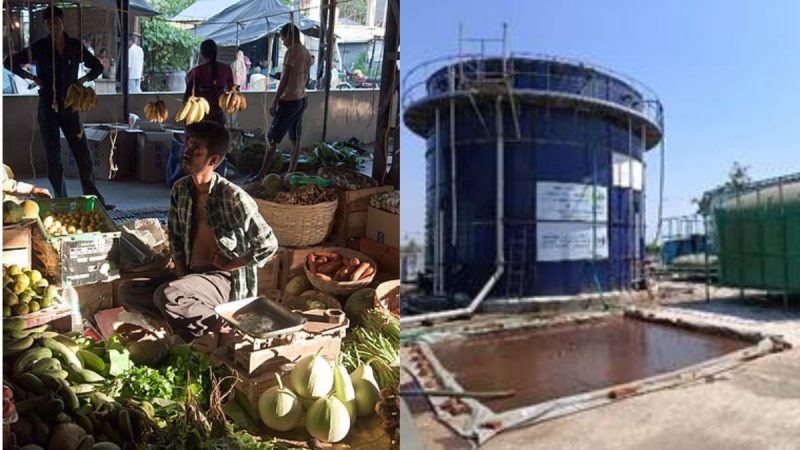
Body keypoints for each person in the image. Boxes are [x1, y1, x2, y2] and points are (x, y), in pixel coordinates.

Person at [121, 121, 278, 342]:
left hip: (222, 280)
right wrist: (182, 275)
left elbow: (268, 244)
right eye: (188, 144)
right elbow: (175, 238)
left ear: (213, 160)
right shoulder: (180, 189)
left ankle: (221, 325)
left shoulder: (233, 197)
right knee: (128, 292)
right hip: (191, 277)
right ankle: (185, 322)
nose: (187, 151)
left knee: (167, 295)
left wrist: (233, 264)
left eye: (196, 149)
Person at [3, 6, 112, 209]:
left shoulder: (75, 46)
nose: (53, 26)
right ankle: (61, 201)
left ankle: (96, 201)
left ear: (62, 22)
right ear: (45, 25)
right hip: (48, 108)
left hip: (70, 107)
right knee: (53, 158)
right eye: (49, 23)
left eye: (56, 22)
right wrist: (32, 77)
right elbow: (9, 62)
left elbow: (97, 67)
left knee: (84, 156)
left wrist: (81, 81)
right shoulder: (39, 47)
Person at [254, 23, 313, 178]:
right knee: (296, 138)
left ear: (289, 36)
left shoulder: (291, 51)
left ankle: (262, 173)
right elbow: (303, 77)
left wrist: (275, 102)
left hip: (290, 100)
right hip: (302, 98)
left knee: (272, 138)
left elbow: (286, 79)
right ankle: (291, 171)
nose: (283, 42)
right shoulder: (306, 52)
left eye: (283, 38)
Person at [185, 39, 233, 125]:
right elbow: (232, 89)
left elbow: (189, 92)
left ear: (202, 54)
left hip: (201, 112)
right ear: (216, 52)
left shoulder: (198, 71)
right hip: (219, 112)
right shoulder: (226, 69)